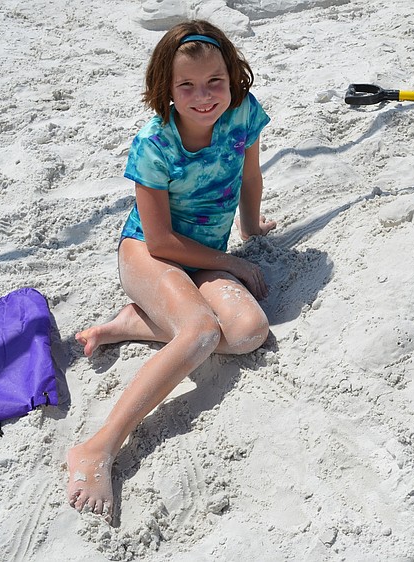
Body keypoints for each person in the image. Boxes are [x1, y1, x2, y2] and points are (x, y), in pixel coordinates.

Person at [67, 20, 276, 521]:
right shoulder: (154, 143)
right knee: (201, 331)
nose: (204, 97)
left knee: (248, 331)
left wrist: (250, 229)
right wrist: (230, 261)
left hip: (201, 256)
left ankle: (134, 323)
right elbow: (159, 239)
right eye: (187, 86)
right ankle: (98, 446)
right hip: (150, 254)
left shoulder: (244, 112)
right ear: (166, 88)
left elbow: (250, 176)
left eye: (215, 82)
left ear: (233, 78)